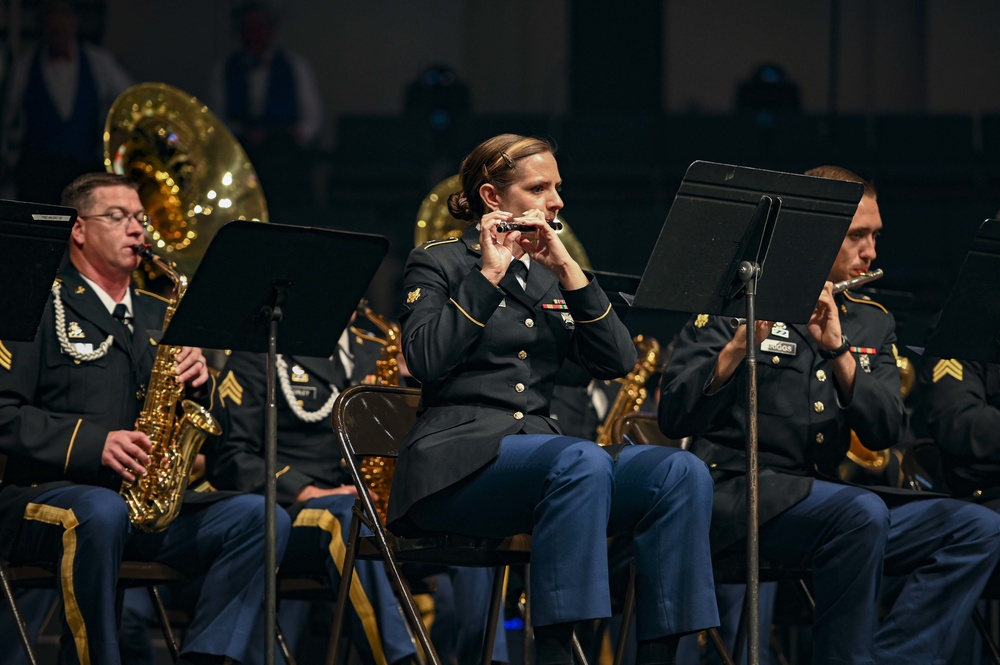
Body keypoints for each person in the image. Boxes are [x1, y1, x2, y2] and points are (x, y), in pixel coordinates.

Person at [386, 133, 719, 665]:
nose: (557, 200)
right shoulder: (441, 263)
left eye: (557, 187)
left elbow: (616, 362)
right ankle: (560, 654)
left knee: (681, 473)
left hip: (543, 461)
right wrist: (490, 274)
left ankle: (664, 656)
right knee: (579, 457)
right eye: (540, 187)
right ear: (494, 198)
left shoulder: (550, 276)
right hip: (455, 464)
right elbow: (425, 358)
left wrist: (568, 271)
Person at [660, 165, 1000, 665]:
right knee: (858, 514)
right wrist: (736, 348)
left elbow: (885, 430)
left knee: (977, 527)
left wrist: (840, 352)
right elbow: (674, 413)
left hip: (828, 501)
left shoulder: (870, 320)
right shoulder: (735, 301)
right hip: (739, 495)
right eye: (857, 236)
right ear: (812, 233)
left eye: (875, 236)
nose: (872, 253)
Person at [0, 172, 288, 665]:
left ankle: (209, 658)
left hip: (139, 507)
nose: (137, 229)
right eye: (117, 217)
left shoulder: (163, 313)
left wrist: (201, 384)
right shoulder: (36, 301)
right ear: (78, 230)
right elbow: (5, 414)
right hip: (42, 498)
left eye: (139, 218)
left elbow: (216, 437)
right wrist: (96, 443)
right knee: (102, 512)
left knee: (261, 520)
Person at [1, 0, 133, 203]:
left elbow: (130, 98)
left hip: (84, 171)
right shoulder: (24, 66)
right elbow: (6, 117)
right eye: (53, 25)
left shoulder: (99, 62)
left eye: (63, 22)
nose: (58, 29)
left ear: (74, 23)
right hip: (37, 174)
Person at [209, 1, 323, 210]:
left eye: (259, 28)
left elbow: (311, 117)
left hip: (283, 149)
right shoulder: (225, 69)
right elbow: (219, 118)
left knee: (284, 176)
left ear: (271, 30)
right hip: (244, 149)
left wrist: (297, 135)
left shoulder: (294, 65)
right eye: (248, 29)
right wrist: (243, 132)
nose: (254, 36)